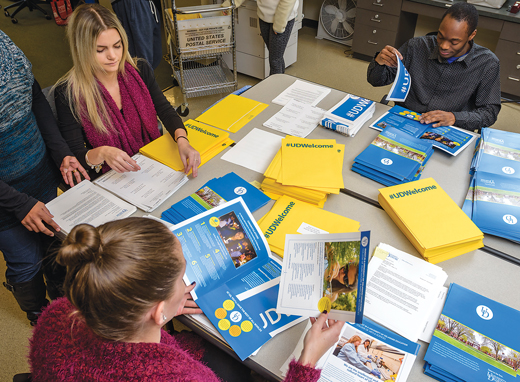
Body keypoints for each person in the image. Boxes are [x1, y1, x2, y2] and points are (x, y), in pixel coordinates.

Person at [29, 217, 345, 381]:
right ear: (157, 309)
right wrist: (308, 359)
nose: (187, 281)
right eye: (182, 275)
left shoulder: (58, 312)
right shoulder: (180, 377)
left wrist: (163, 315)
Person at [0, 29, 89, 326]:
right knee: (25, 263)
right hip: (4, 199)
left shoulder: (4, 42)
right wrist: (20, 204)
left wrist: (61, 152)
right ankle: (39, 317)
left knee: (56, 245)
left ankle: (62, 304)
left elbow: (35, 96)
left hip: (39, 172)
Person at [54, 4, 200, 180]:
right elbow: (75, 153)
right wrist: (102, 152)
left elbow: (165, 110)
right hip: (108, 178)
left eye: (117, 45)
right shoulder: (68, 94)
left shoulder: (140, 70)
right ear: (81, 51)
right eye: (100, 50)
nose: (113, 56)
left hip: (151, 164)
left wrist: (182, 140)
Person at [367, 2, 501, 133]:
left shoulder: (487, 63)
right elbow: (376, 80)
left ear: (471, 35)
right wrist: (380, 62)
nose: (444, 46)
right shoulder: (416, 46)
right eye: (440, 37)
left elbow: (489, 113)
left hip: (448, 129)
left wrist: (454, 117)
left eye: (454, 42)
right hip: (407, 121)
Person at [223, 0, 298, 75]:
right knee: (276, 58)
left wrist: (279, 25)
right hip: (264, 16)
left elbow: (288, 1)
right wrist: (229, 5)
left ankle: (274, 86)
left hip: (282, 18)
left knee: (275, 60)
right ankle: (281, 83)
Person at [111, 0, 162, 70]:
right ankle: (143, 80)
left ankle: (144, 78)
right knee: (143, 59)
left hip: (139, 3)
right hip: (134, 3)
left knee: (153, 54)